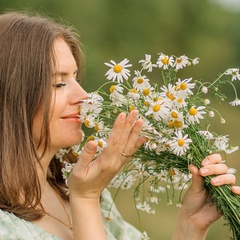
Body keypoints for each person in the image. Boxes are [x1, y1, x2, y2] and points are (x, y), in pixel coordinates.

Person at [0, 11, 237, 240]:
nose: (84, 96)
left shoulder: (71, 189)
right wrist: (86, 199)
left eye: (77, 79)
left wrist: (190, 225)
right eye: (59, 83)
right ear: (11, 96)